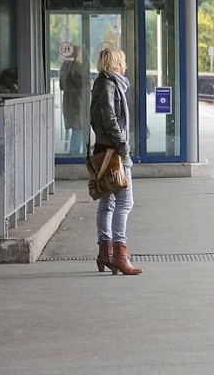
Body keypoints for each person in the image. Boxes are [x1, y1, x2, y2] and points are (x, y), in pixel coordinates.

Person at [90, 46, 142, 276]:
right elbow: (110, 119)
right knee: (125, 201)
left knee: (108, 202)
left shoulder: (103, 83)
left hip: (105, 148)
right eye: (123, 61)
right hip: (114, 151)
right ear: (115, 64)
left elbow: (96, 120)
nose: (126, 66)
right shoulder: (109, 84)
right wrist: (123, 147)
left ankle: (105, 253)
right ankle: (120, 256)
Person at [59, 46, 85, 154]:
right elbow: (82, 85)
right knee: (78, 127)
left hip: (68, 100)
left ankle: (74, 150)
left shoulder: (65, 66)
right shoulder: (77, 67)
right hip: (77, 101)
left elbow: (61, 85)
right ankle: (75, 151)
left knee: (76, 127)